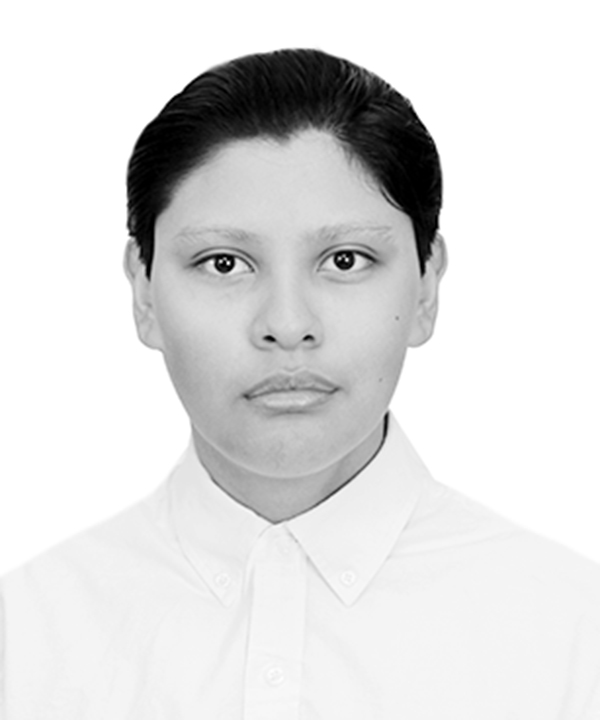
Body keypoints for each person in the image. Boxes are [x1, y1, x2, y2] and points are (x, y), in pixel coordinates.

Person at [1, 48, 599, 719]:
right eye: (224, 263)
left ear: (427, 285)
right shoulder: (22, 645)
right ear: (143, 292)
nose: (287, 326)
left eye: (345, 260)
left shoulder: (575, 640)